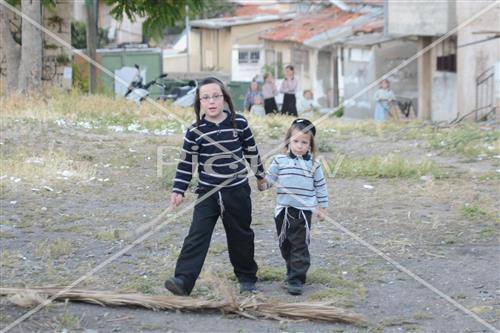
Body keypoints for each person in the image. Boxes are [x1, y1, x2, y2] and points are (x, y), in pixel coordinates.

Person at [165, 77, 267, 296]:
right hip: (207, 193)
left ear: (225, 99)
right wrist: (178, 189)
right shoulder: (195, 131)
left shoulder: (239, 124)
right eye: (206, 97)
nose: (211, 101)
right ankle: (183, 280)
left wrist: (260, 176)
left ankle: (247, 278)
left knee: (240, 236)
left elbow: (252, 151)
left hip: (237, 192)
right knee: (196, 235)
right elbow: (186, 163)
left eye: (216, 96)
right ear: (199, 102)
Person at [262, 118, 328, 295]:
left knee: (299, 244)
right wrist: (262, 183)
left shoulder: (314, 165)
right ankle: (291, 268)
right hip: (283, 209)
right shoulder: (279, 161)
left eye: (304, 142)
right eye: (295, 141)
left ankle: (296, 278)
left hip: (303, 211)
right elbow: (269, 180)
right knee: (285, 243)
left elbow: (320, 186)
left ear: (310, 145)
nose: (299, 146)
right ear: (288, 141)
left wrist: (322, 207)